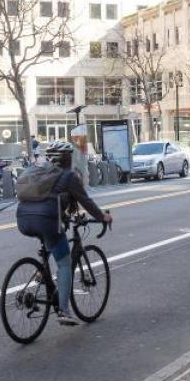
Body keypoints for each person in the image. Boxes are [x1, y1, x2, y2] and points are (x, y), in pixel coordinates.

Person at [16, 140, 113, 326]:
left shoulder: (40, 172)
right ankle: (64, 311)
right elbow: (86, 201)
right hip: (46, 221)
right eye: (71, 156)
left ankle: (42, 272)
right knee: (65, 264)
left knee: (51, 239)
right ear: (67, 158)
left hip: (23, 219)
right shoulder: (68, 176)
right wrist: (103, 217)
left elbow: (56, 200)